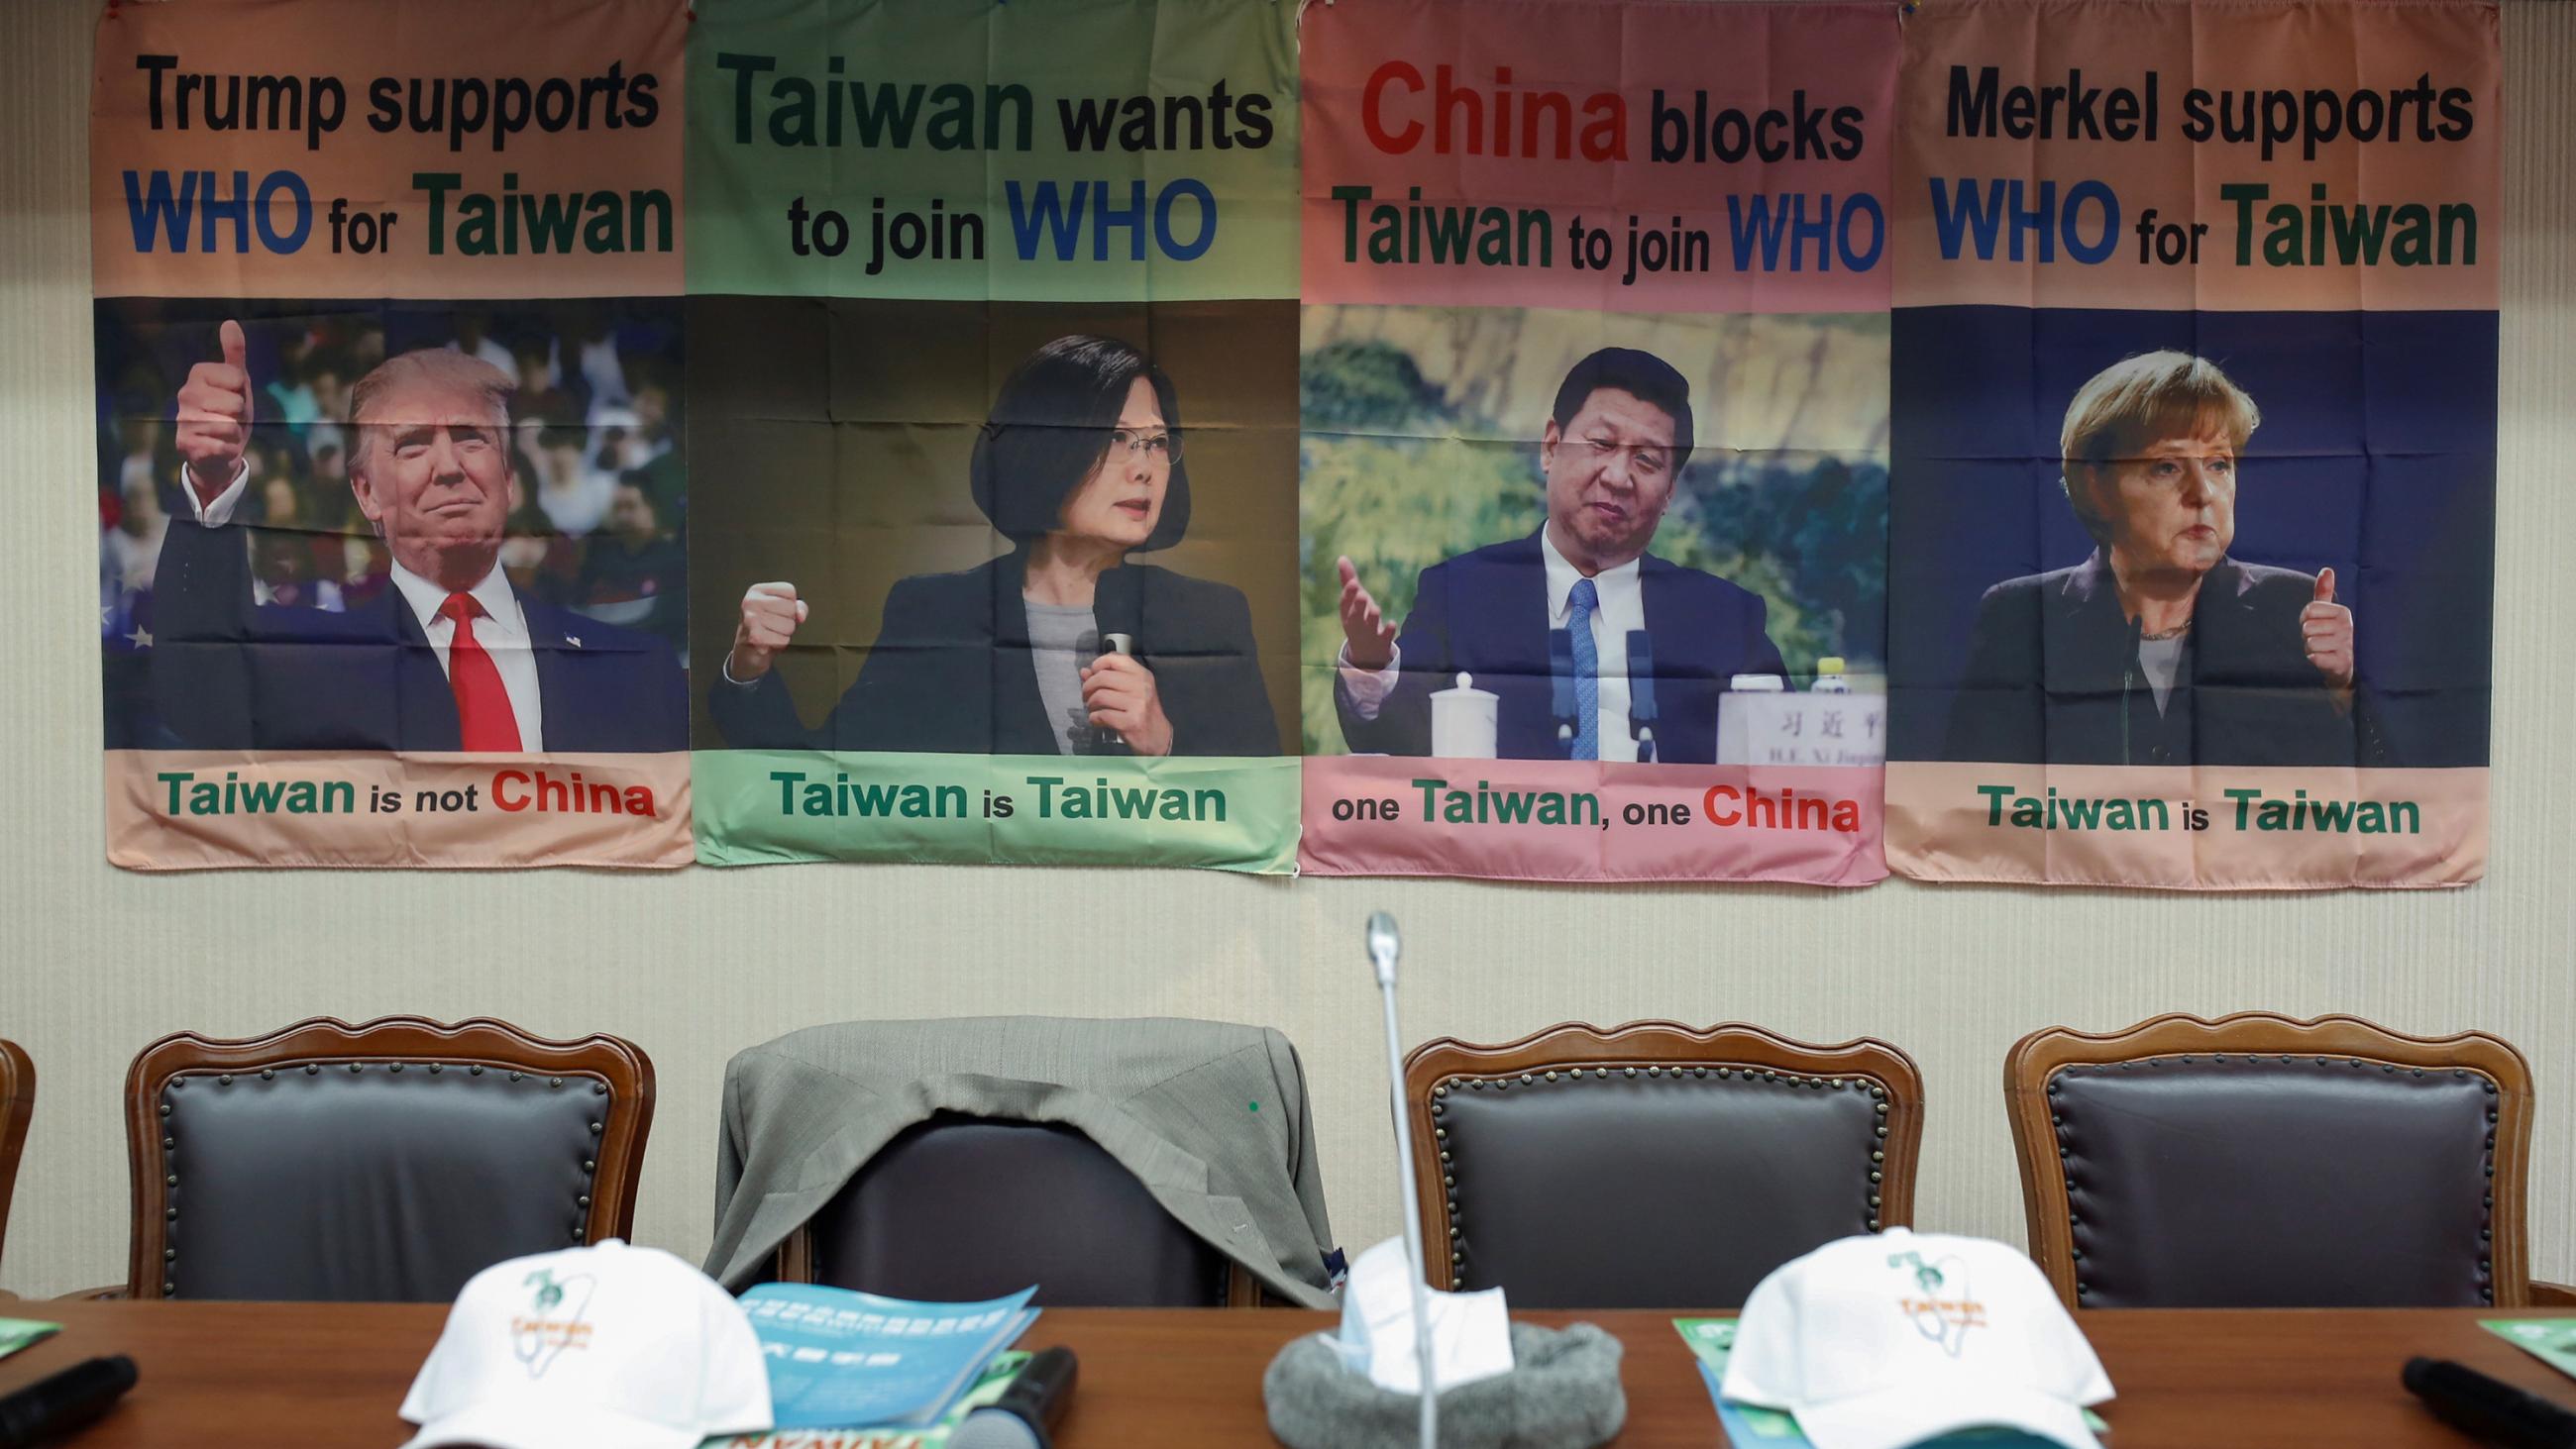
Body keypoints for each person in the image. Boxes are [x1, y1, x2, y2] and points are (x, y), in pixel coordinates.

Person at [712, 334, 1279, 757]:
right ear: (1041, 449)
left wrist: (1165, 745)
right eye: (1116, 439)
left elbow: (1264, 815)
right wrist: (749, 669)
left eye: (1157, 443)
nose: (1145, 469)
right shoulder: (934, 613)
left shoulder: (1212, 618)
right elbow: (827, 789)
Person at [159, 319, 686, 752]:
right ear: (365, 494)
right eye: (411, 446)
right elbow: (199, 693)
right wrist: (212, 484)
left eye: (471, 439)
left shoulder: (639, 672)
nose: (448, 467)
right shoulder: (315, 664)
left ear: (508, 479)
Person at [1332, 347, 1786, 762]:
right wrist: (1371, 667)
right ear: (1551, 446)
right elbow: (1394, 741)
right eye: (1602, 445)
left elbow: (1787, 768)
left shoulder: (1725, 619)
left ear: (1668, 493)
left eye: (1647, 460)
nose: (1618, 476)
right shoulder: (1461, 593)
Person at [1940, 350, 2375, 767]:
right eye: (2167, 466)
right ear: (2097, 486)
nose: (2203, 493)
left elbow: (2386, 805)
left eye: (2219, 465)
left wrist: (2342, 691)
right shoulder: (2021, 617)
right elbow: (1970, 806)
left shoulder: (2292, 610)